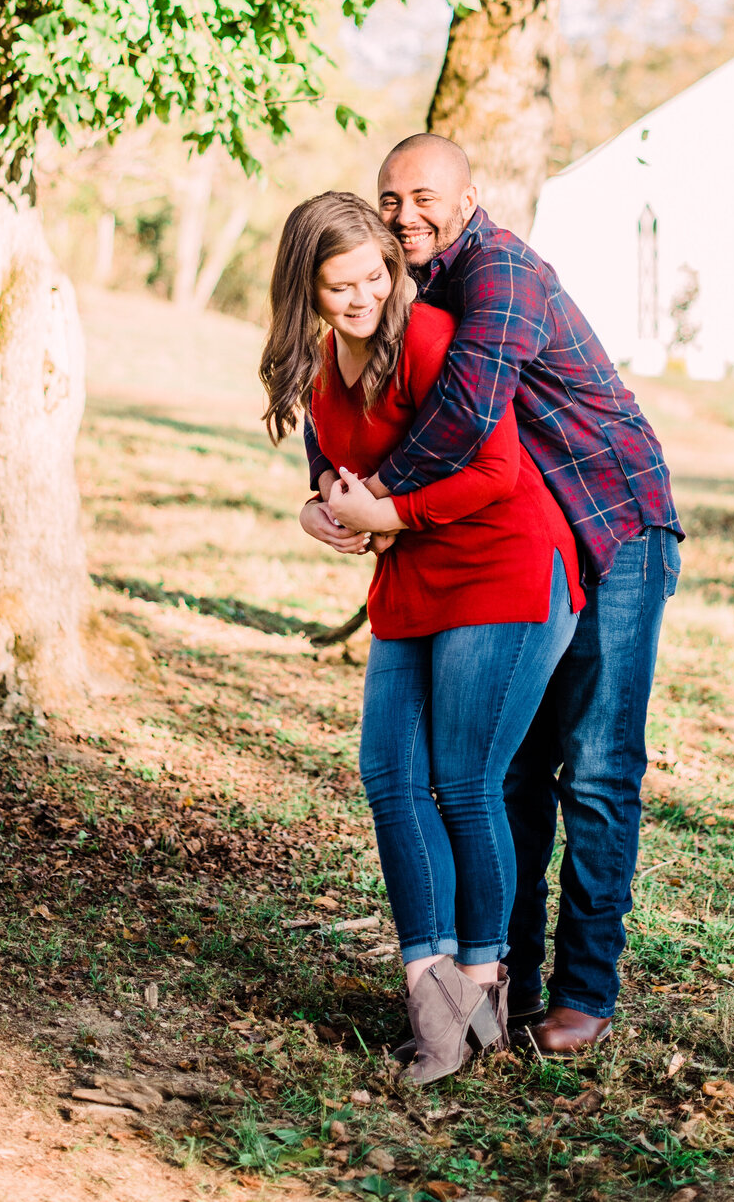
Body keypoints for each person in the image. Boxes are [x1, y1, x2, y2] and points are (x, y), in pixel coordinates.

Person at [303, 135, 682, 1055]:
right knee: (508, 768)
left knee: (594, 770)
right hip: (530, 546)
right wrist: (329, 488)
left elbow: (469, 413)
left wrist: (380, 504)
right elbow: (364, 395)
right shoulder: (408, 284)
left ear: (471, 198)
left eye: (424, 196)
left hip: (615, 528)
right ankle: (498, 982)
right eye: (390, 198)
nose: (404, 215)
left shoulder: (501, 271)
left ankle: (585, 994)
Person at [260, 191, 586, 1085]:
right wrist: (318, 508)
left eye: (376, 276)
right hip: (409, 580)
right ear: (308, 290)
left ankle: (480, 983)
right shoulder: (324, 365)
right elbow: (333, 472)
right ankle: (426, 984)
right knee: (388, 776)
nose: (364, 296)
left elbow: (497, 469)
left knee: (464, 782)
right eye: (341, 285)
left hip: (502, 566)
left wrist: (393, 513)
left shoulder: (436, 339)